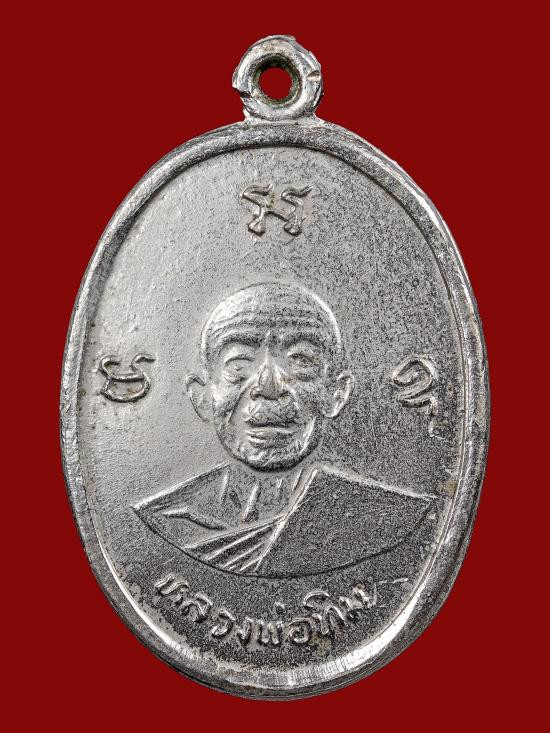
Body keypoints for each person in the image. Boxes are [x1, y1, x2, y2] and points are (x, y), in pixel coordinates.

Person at [135, 282, 433, 577]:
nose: (269, 386)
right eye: (239, 364)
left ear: (337, 394)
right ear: (202, 397)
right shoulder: (167, 518)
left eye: (300, 360)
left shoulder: (385, 517)